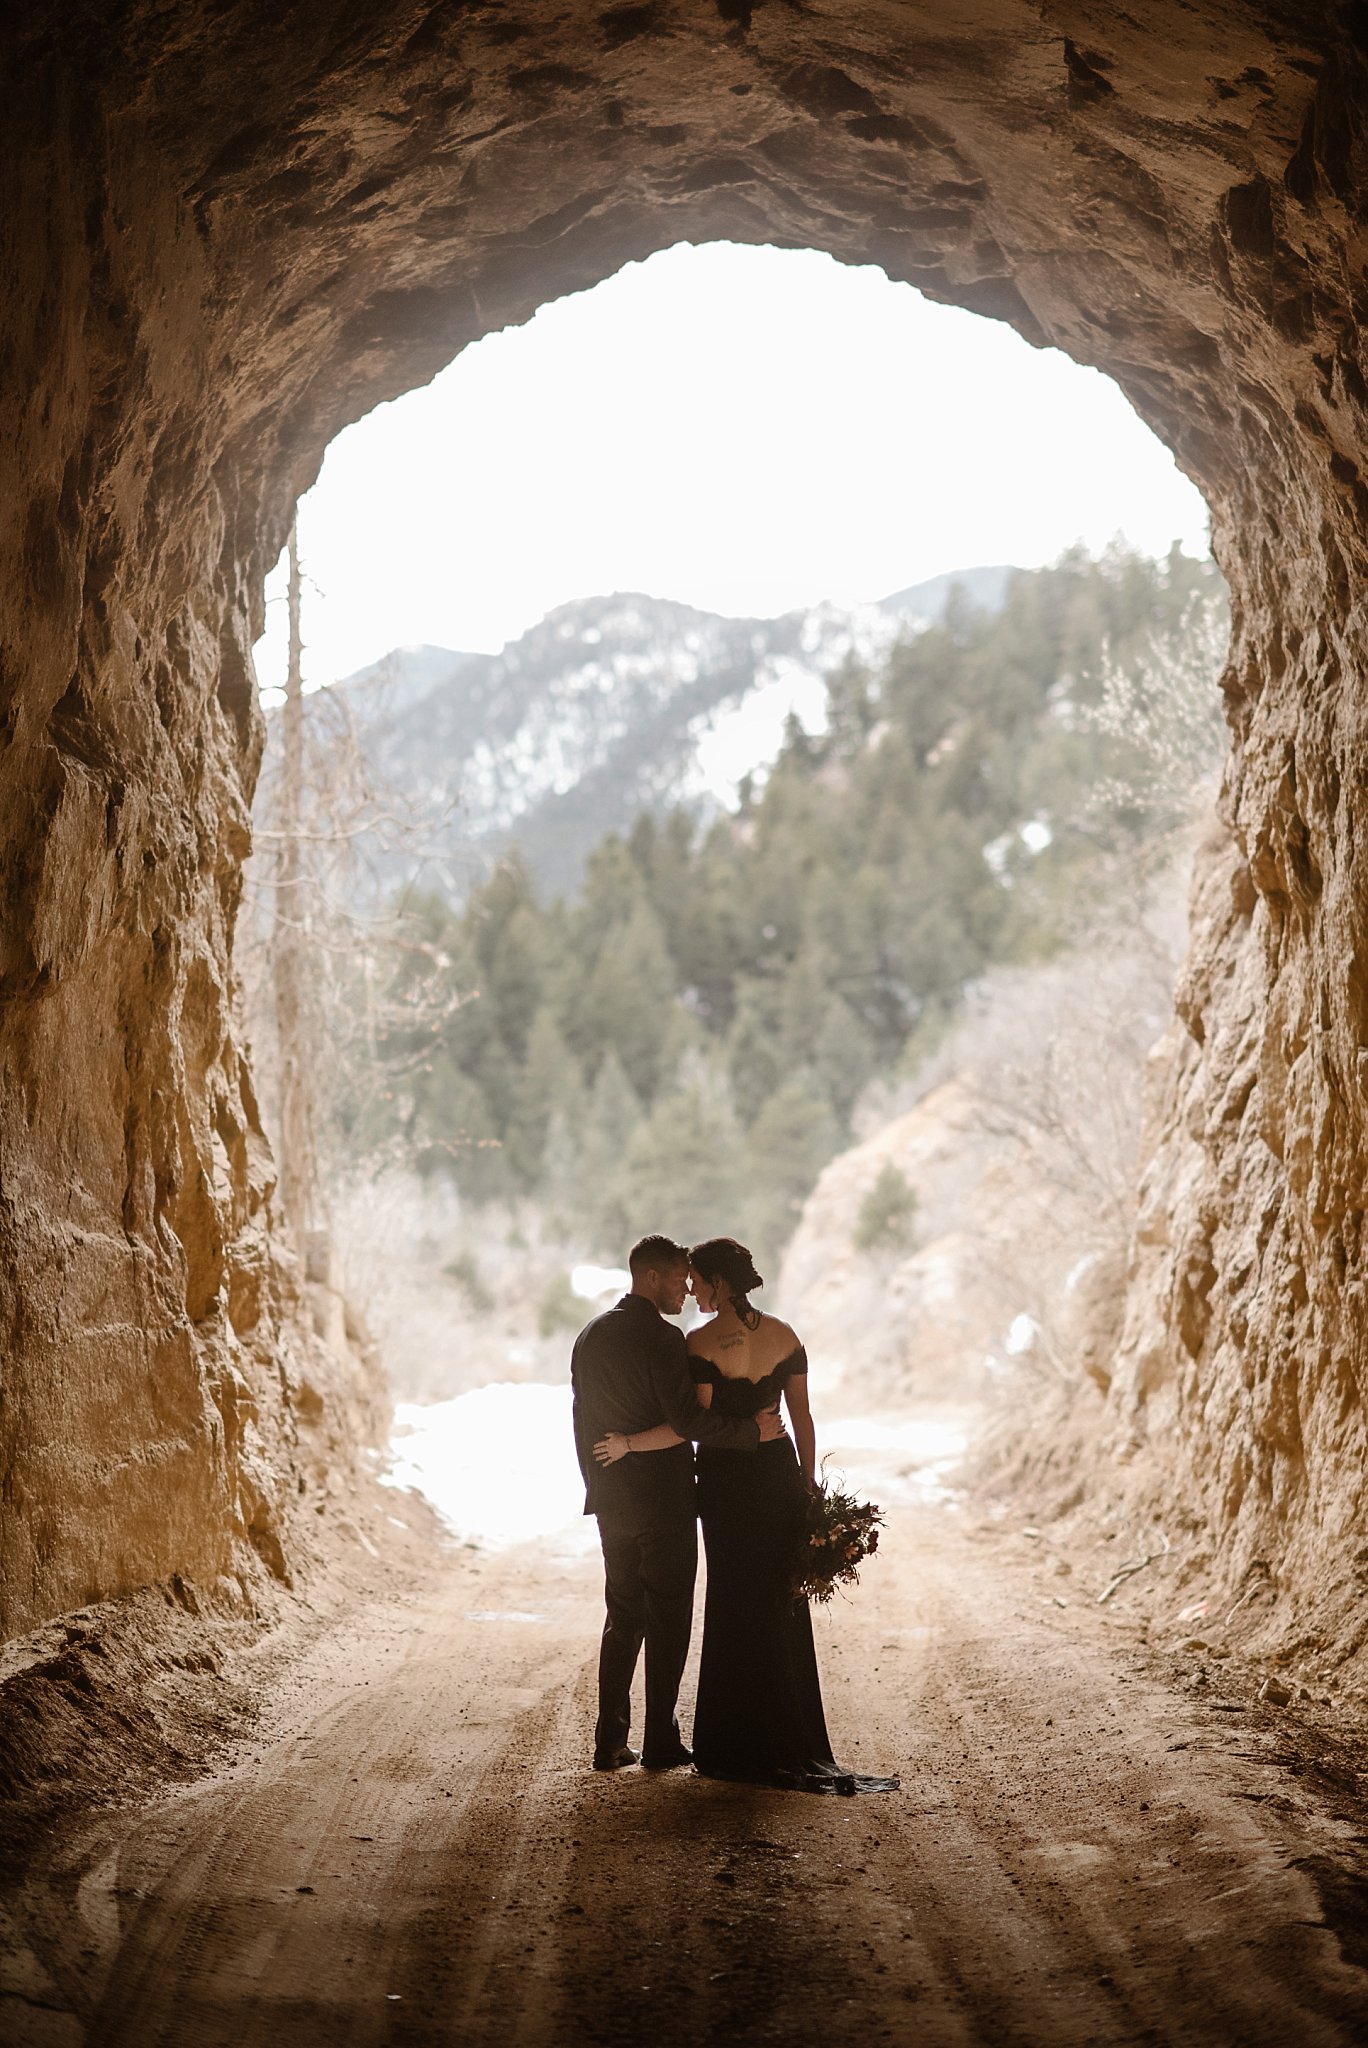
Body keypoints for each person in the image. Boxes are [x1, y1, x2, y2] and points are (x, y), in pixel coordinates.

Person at [595, 1236, 897, 1795]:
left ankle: (735, 1739)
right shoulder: (786, 1335)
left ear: (719, 1284)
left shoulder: (700, 1342)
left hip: (728, 1480)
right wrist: (809, 1484)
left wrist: (631, 1444)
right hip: (778, 1472)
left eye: (698, 1281)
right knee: (780, 1597)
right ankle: (788, 1734)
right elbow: (802, 1419)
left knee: (733, 1596)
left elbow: (694, 1423)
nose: (691, 1290)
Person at [570, 1234, 783, 1773]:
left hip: (613, 1501)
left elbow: (581, 1420)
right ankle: (661, 1740)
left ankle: (609, 1740)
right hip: (663, 1500)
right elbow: (688, 1422)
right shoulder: (663, 1339)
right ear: (651, 1278)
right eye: (677, 1280)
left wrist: (596, 1484)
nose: (686, 1292)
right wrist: (749, 1433)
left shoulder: (590, 1335)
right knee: (668, 1617)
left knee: (622, 1616)